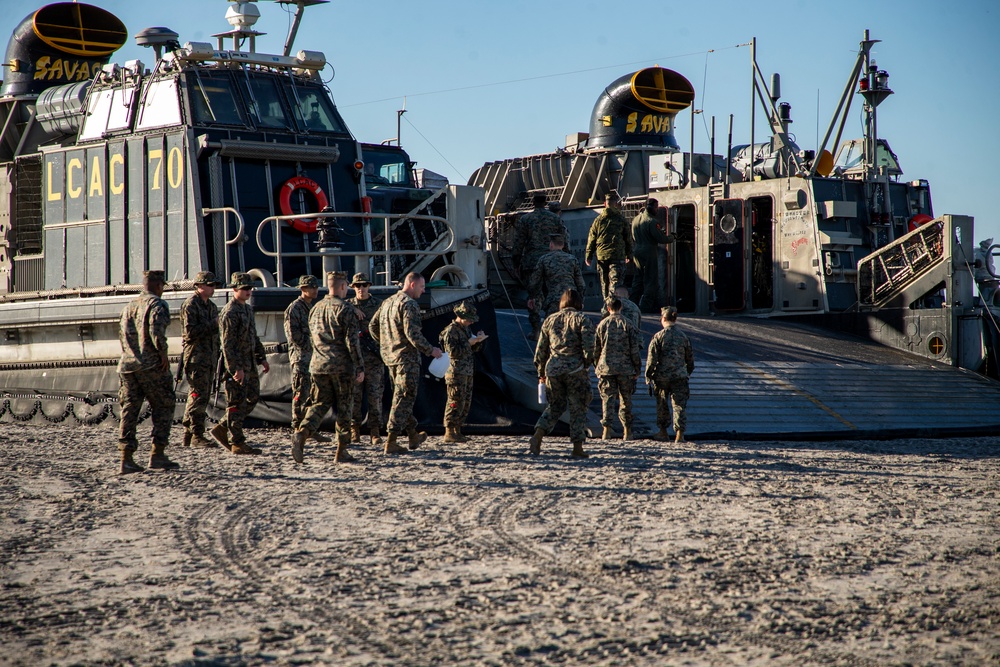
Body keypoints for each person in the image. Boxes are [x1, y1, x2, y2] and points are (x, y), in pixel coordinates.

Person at [291, 273, 364, 464]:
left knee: (319, 404)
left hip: (318, 365)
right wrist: (359, 366)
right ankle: (342, 449)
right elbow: (352, 342)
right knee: (344, 407)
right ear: (342, 287)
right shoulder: (345, 309)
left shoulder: (315, 308)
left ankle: (302, 433)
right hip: (341, 366)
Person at [369, 272, 443, 454]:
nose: (423, 290)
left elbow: (372, 326)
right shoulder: (409, 304)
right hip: (406, 359)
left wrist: (387, 343)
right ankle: (392, 440)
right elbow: (413, 334)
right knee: (404, 398)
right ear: (412, 285)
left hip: (390, 358)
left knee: (401, 396)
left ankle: (413, 434)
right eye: (422, 286)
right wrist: (430, 350)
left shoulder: (387, 302)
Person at [116, 270, 178, 474]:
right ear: (159, 285)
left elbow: (122, 335)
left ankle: (126, 458)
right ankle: (157, 454)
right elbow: (156, 331)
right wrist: (163, 355)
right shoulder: (157, 305)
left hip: (127, 365)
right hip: (150, 364)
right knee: (164, 405)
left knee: (130, 409)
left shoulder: (129, 306)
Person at [528, 288, 596, 458]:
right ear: (579, 302)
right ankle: (577, 447)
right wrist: (587, 363)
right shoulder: (582, 319)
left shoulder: (550, 320)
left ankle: (538, 435)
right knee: (578, 407)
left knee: (555, 406)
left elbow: (541, 350)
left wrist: (541, 372)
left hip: (553, 369)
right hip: (575, 369)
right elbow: (590, 347)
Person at [211, 272, 270, 454]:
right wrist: (235, 369)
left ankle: (223, 427)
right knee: (236, 402)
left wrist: (262, 358)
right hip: (237, 366)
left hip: (250, 363)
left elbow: (253, 336)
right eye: (244, 288)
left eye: (250, 288)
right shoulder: (230, 313)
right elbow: (228, 344)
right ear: (235, 289)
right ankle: (237, 442)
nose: (248, 291)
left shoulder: (247, 309)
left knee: (252, 398)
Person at [511, 193, 570, 339]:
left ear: (533, 203)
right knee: (554, 294)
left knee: (534, 296)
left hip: (532, 262)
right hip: (553, 261)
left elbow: (518, 243)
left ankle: (536, 329)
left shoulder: (526, 219)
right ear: (545, 203)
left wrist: (516, 263)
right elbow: (564, 239)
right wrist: (566, 257)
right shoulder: (555, 218)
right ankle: (553, 328)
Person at [283, 274, 331, 443]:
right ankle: (297, 426)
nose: (315, 290)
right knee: (300, 393)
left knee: (312, 394)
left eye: (316, 287)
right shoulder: (294, 309)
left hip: (314, 358)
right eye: (312, 287)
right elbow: (293, 336)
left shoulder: (312, 308)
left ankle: (309, 428)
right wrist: (312, 344)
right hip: (301, 357)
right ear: (303, 289)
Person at [179, 271, 223, 449]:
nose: (213, 288)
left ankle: (190, 434)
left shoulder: (211, 307)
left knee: (202, 396)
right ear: (200, 286)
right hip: (196, 357)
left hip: (209, 356)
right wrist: (213, 324)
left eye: (214, 285)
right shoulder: (191, 305)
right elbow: (189, 333)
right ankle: (196, 433)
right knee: (198, 395)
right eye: (210, 285)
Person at [594, 296, 643, 441]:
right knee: (626, 400)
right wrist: (637, 368)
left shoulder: (602, 325)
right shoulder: (628, 324)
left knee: (607, 399)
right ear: (621, 307)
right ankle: (627, 431)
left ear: (608, 308)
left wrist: (597, 365)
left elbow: (596, 349)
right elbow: (634, 349)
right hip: (626, 369)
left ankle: (606, 430)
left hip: (606, 368)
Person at [439, 301, 489, 443]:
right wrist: (469, 343)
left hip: (466, 370)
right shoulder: (451, 331)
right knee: (455, 401)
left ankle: (457, 430)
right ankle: (449, 431)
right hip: (455, 371)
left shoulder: (465, 329)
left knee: (464, 402)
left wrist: (478, 341)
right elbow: (453, 352)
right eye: (468, 319)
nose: (471, 322)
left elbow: (471, 350)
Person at [347, 272, 385, 447]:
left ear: (369, 286)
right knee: (354, 397)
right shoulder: (347, 306)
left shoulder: (378, 305)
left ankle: (375, 432)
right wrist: (352, 309)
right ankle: (354, 430)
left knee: (375, 396)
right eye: (357, 286)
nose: (361, 289)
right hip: (355, 359)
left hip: (374, 359)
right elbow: (333, 303)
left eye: (364, 285)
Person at [645, 306, 694, 443]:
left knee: (662, 404)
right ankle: (679, 433)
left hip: (662, 377)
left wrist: (648, 376)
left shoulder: (659, 337)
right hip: (679, 376)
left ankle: (663, 432)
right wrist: (686, 372)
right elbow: (690, 359)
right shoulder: (683, 336)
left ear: (664, 319)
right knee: (679, 405)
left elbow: (651, 359)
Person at [527, 233, 585, 323]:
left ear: (551, 244)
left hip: (554, 300)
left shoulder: (544, 259)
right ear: (562, 245)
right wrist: (580, 299)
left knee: (552, 328)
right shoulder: (572, 259)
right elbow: (581, 284)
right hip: (571, 299)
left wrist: (532, 297)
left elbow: (534, 282)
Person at [631, 198, 675, 312]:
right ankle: (645, 308)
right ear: (650, 207)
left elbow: (633, 236)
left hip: (637, 251)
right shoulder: (652, 221)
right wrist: (672, 237)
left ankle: (631, 305)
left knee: (637, 280)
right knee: (651, 280)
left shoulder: (635, 220)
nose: (657, 209)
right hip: (649, 252)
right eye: (656, 207)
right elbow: (660, 238)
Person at [585, 193, 632, 299]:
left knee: (604, 284)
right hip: (617, 256)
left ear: (604, 204)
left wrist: (588, 256)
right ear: (616, 204)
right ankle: (615, 307)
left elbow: (591, 239)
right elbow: (628, 239)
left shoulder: (598, 220)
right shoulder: (621, 219)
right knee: (616, 283)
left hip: (602, 257)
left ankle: (606, 308)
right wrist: (629, 255)